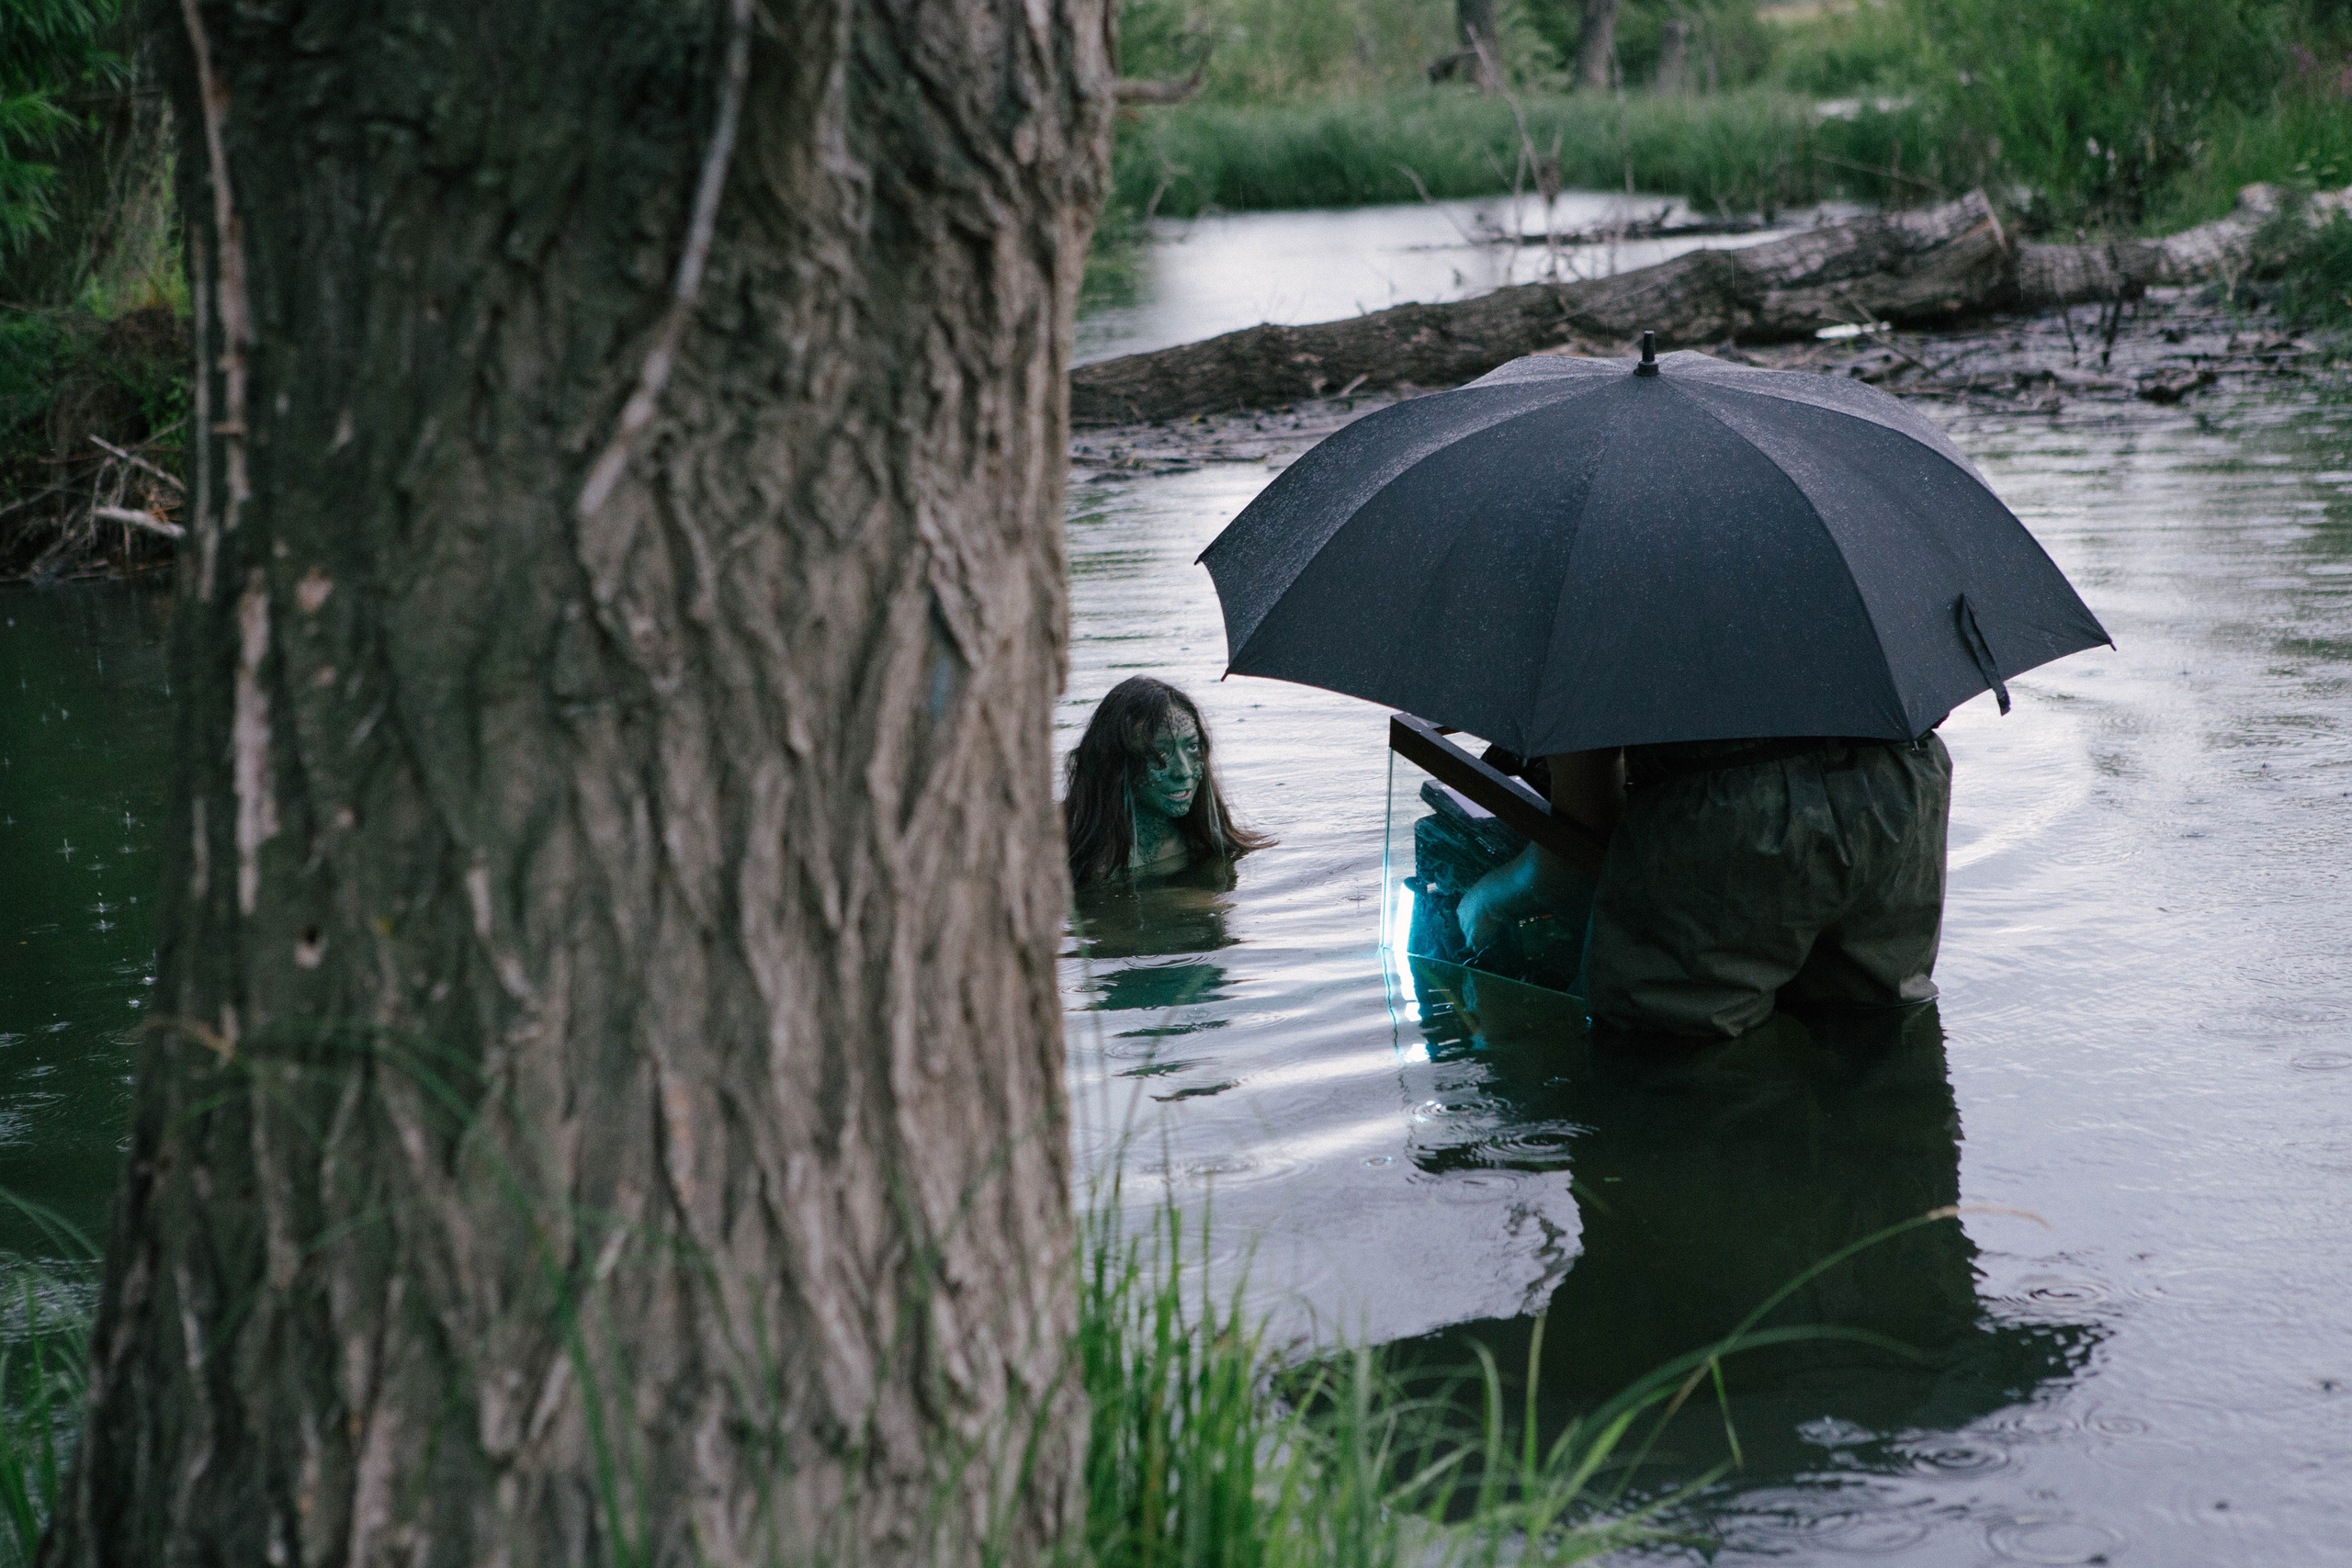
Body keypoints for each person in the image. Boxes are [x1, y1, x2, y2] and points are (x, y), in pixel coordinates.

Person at [1457, 732, 1951, 1038]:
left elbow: (1577, 843)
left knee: (1683, 1083)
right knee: (1883, 1042)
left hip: (1728, 814)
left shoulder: (1601, 585)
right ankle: (1909, 1207)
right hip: (1900, 787)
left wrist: (1486, 898)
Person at [1063, 676, 1272, 887]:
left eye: (1192, 747)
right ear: (1114, 763)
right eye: (1160, 752)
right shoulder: (1061, 850)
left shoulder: (1209, 844)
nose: (1183, 771)